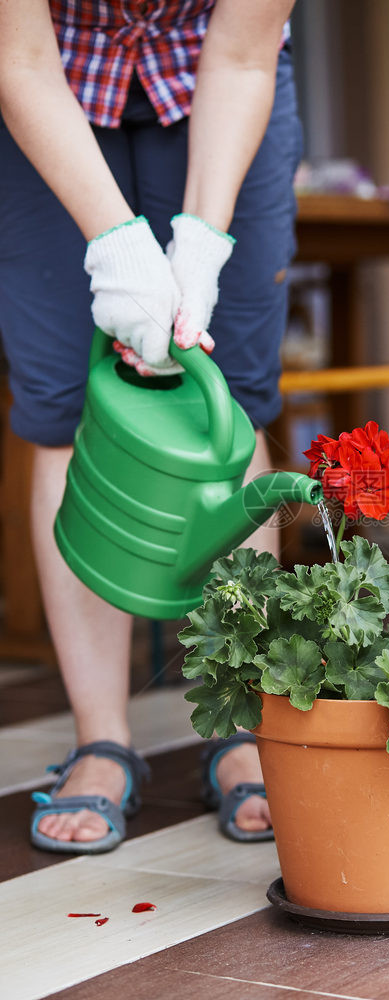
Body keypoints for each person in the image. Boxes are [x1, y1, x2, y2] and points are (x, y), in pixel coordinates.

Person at [0, 0, 299, 851]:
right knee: (64, 405)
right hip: (44, 84)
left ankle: (239, 727)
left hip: (213, 79)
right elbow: (19, 61)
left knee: (228, 399)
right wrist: (116, 247)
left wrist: (199, 244)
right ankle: (103, 740)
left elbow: (241, 58)